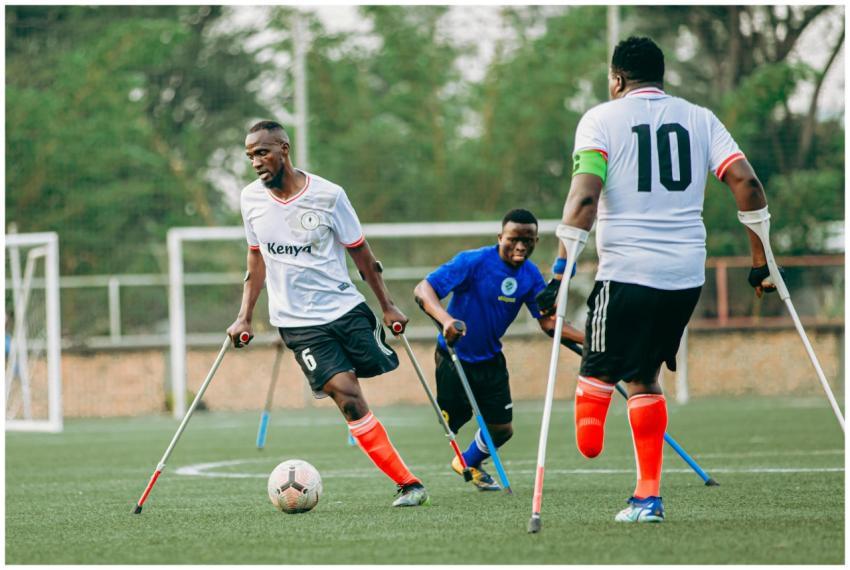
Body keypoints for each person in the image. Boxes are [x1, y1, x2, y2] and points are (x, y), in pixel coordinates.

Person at [541, 36, 777, 522]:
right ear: (661, 77)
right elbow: (748, 185)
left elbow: (584, 201)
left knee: (596, 388)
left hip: (626, 272)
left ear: (617, 79)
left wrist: (560, 272)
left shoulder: (600, 119)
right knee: (643, 375)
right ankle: (647, 498)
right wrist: (760, 261)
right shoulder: (701, 119)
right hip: (684, 275)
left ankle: (617, 463)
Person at [227, 120, 428, 507]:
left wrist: (387, 305)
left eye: (263, 152)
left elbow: (362, 253)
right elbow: (255, 262)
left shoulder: (330, 195)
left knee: (372, 370)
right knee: (346, 394)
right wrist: (244, 316)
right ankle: (409, 483)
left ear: (284, 149)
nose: (256, 161)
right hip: (298, 324)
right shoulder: (250, 199)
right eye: (250, 155)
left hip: (345, 309)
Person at [414, 209, 584, 490]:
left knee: (502, 429)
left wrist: (589, 341)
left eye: (527, 241)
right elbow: (423, 290)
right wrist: (446, 321)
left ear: (536, 241)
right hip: (454, 358)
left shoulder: (530, 276)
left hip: (490, 360)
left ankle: (467, 461)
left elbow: (548, 323)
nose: (520, 246)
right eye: (513, 239)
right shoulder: (473, 261)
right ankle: (454, 425)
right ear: (500, 237)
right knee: (454, 420)